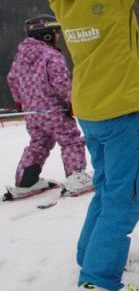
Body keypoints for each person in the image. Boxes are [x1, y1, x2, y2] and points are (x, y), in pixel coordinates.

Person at [24, 0, 139, 291]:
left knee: (107, 188)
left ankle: (91, 256)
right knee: (123, 199)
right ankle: (98, 282)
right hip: (120, 110)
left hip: (91, 111)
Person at [5, 15, 91, 198]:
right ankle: (76, 176)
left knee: (39, 143)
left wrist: (20, 102)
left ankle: (25, 181)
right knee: (70, 140)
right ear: (46, 35)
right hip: (54, 110)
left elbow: (12, 79)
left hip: (32, 113)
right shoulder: (52, 55)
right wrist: (72, 101)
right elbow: (61, 82)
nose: (58, 37)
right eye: (56, 33)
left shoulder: (20, 57)